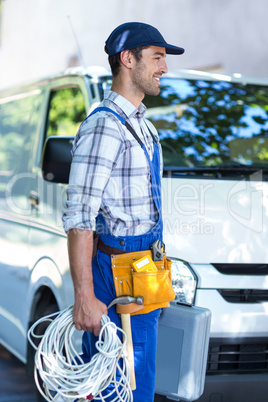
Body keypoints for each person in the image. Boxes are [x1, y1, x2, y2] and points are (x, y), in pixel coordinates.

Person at [63, 22, 184, 402]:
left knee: (138, 383)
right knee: (115, 385)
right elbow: (80, 217)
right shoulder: (104, 126)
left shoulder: (143, 126)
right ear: (127, 59)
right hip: (115, 277)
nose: (164, 67)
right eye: (158, 57)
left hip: (143, 273)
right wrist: (84, 294)